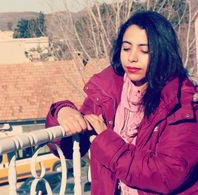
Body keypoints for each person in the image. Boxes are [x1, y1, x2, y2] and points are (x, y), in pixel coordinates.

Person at [46, 11, 198, 195]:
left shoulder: (183, 103)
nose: (132, 57)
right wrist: (62, 112)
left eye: (144, 50)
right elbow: (70, 148)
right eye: (126, 48)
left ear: (163, 53)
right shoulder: (107, 92)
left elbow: (166, 175)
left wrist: (104, 140)